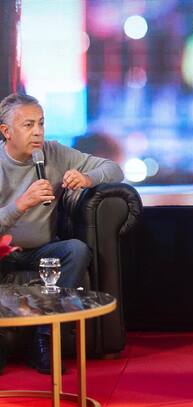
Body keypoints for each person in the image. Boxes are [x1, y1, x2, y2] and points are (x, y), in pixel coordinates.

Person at [0, 93, 124, 374]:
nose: (37, 132)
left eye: (41, 124)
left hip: (42, 252)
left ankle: (42, 338)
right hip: (3, 253)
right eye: (28, 125)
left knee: (77, 249)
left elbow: (114, 169)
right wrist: (21, 205)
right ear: (6, 132)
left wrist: (87, 178)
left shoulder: (53, 153)